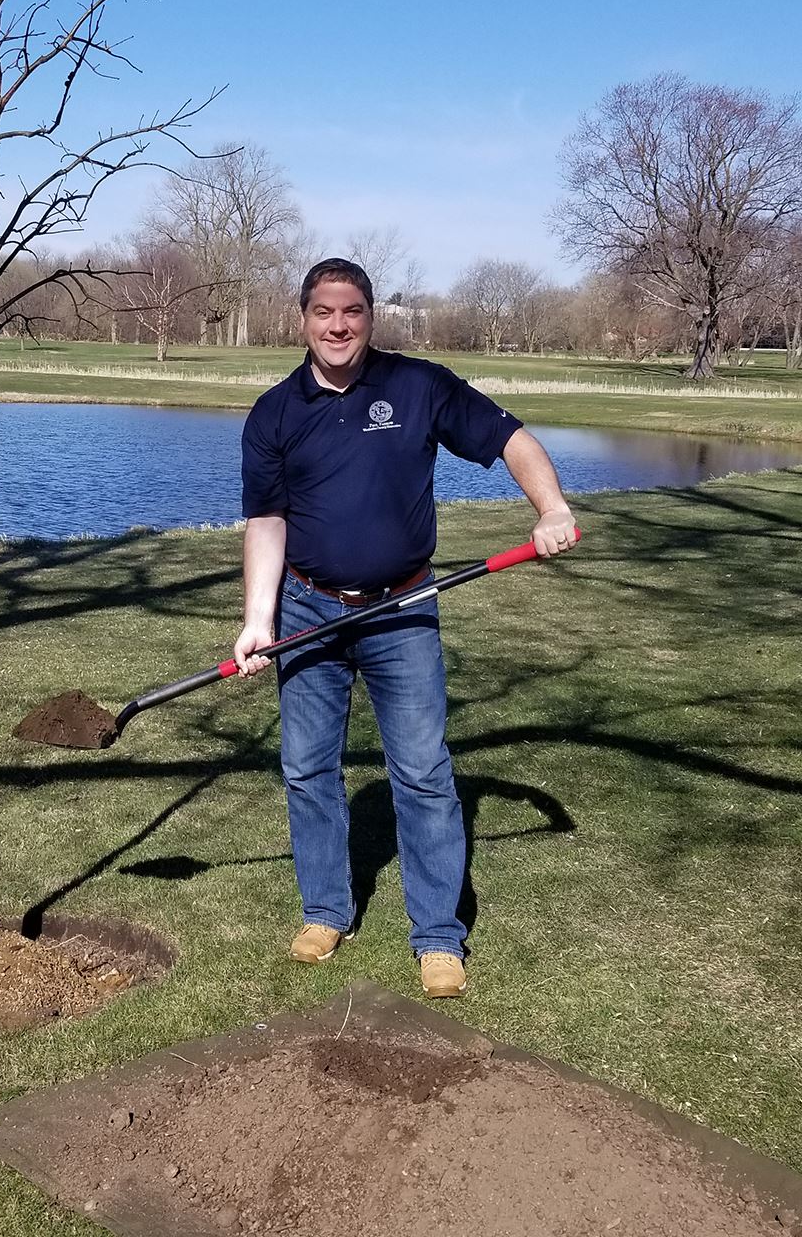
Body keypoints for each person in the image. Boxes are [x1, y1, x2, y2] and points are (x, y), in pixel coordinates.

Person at [234, 257, 579, 996]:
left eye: (352, 311)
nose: (338, 326)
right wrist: (258, 619)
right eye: (324, 312)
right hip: (307, 609)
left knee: (422, 771)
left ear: (370, 316)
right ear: (303, 318)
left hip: (402, 608)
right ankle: (326, 910)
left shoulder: (418, 386)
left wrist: (550, 508)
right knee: (307, 768)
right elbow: (266, 521)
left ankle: (438, 936)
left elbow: (510, 438)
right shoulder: (274, 413)